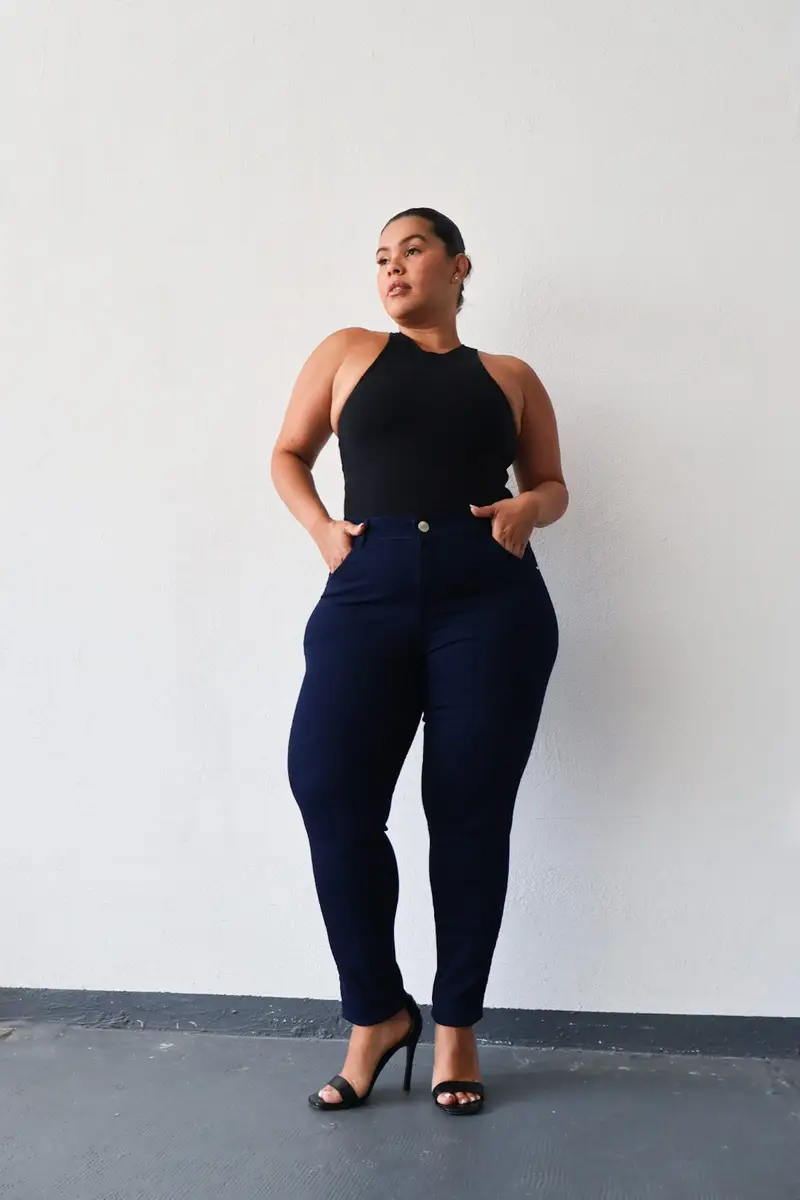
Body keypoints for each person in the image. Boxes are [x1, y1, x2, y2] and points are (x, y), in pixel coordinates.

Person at [271, 206, 568, 1116]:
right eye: (381, 257)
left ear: (458, 266)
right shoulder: (349, 352)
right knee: (329, 789)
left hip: (491, 600)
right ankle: (378, 1014)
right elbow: (288, 454)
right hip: (368, 589)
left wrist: (528, 509)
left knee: (469, 815)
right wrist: (324, 533)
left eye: (412, 250)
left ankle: (457, 1028)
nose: (392, 267)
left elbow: (553, 485)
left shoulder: (510, 376)